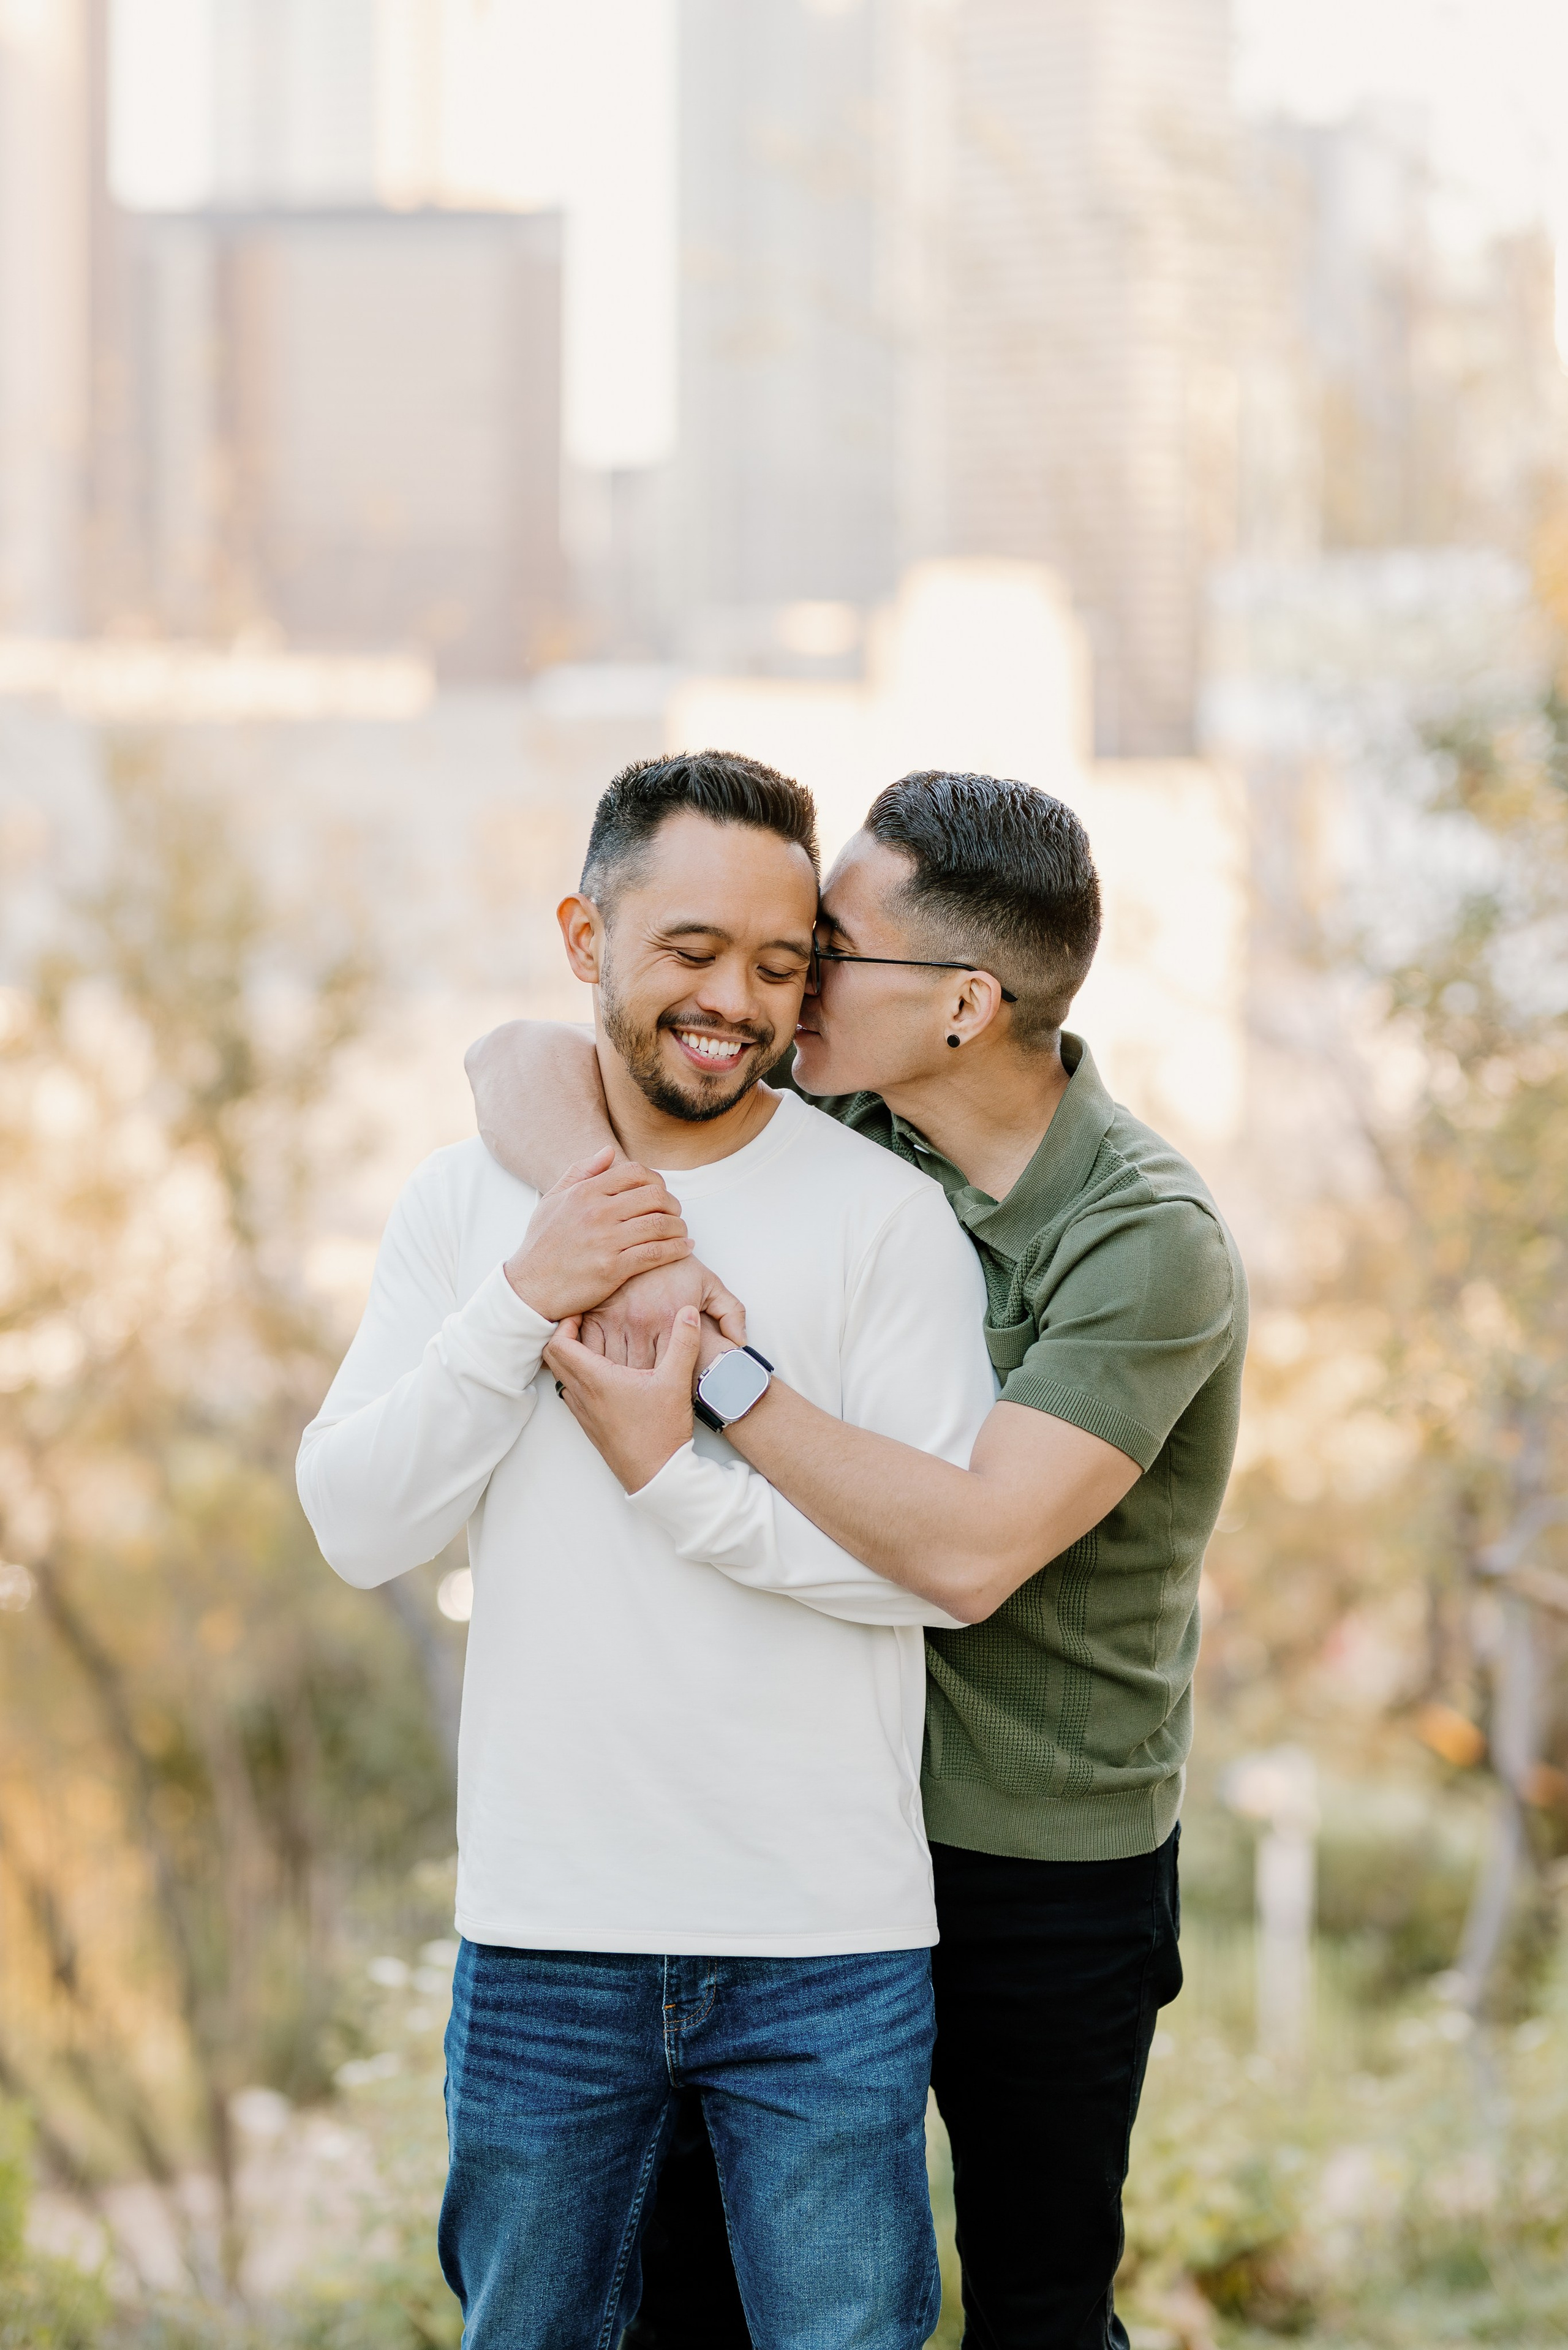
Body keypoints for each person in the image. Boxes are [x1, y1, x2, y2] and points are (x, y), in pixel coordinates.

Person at [467, 767, 1250, 2350]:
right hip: (811, 1831)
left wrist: (717, 1374)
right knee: (700, 2299)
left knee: (1035, 2310)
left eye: (827, 951)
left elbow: (970, 1554)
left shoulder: (1145, 1239)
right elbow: (520, 1057)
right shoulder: (846, 1114)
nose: (788, 984)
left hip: (1039, 1854)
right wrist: (623, 1224)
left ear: (964, 1005)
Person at [297, 752, 1002, 2350]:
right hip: (547, 1936)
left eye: (779, 965)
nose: (734, 1002)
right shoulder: (468, 1204)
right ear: (585, 938)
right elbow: (356, 1524)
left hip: (826, 1944)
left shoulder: (884, 1220)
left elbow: (934, 1562)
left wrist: (678, 1475)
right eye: (691, 951)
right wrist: (524, 1297)